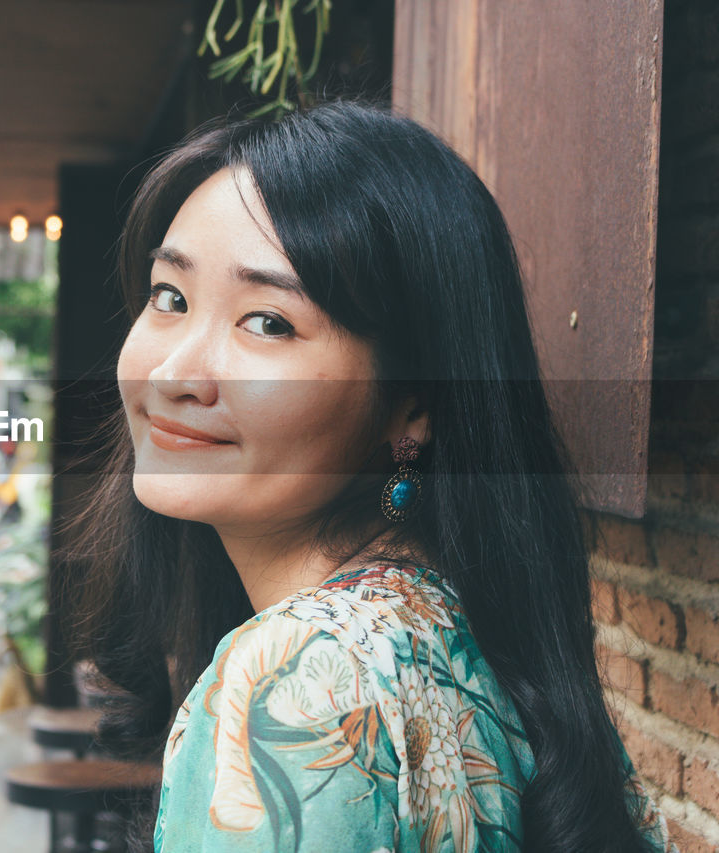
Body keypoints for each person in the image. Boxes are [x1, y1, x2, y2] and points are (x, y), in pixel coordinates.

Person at [67, 102, 673, 852]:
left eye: (267, 321)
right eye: (170, 297)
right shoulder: (477, 639)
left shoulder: (293, 681)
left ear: (410, 406)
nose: (172, 372)